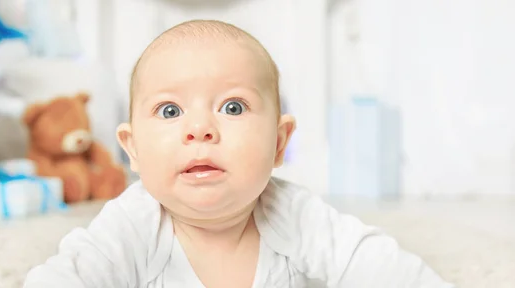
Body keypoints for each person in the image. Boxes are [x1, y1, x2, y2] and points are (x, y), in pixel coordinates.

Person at [24, 19, 454, 288]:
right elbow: (71, 274)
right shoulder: (132, 225)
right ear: (133, 149)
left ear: (279, 143)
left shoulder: (295, 215)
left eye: (233, 107)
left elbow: (374, 263)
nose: (199, 130)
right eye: (170, 110)